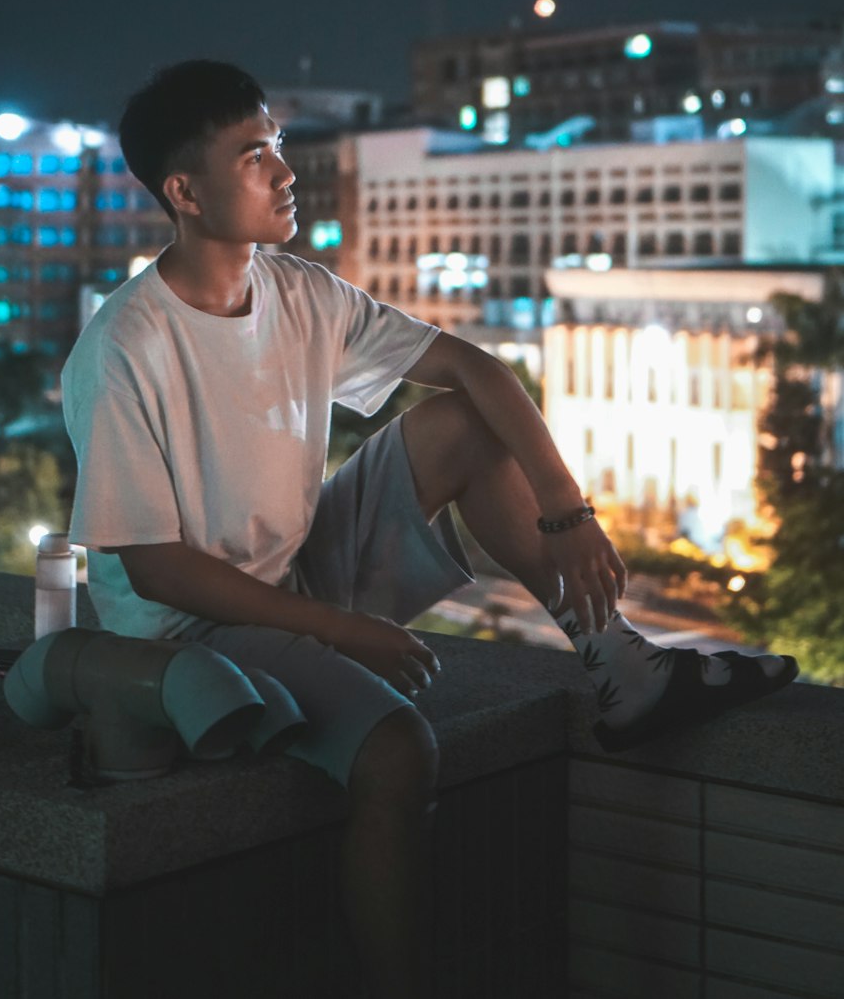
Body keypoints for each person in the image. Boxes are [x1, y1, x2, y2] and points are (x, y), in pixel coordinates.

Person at [63, 59, 797, 999]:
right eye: (255, 156)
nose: (286, 171)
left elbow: (479, 370)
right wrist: (339, 630)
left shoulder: (299, 294)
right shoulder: (124, 345)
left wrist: (570, 512)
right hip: (192, 631)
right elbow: (158, 571)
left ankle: (621, 664)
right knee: (400, 750)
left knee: (462, 423)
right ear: (185, 192)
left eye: (280, 144)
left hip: (296, 576)